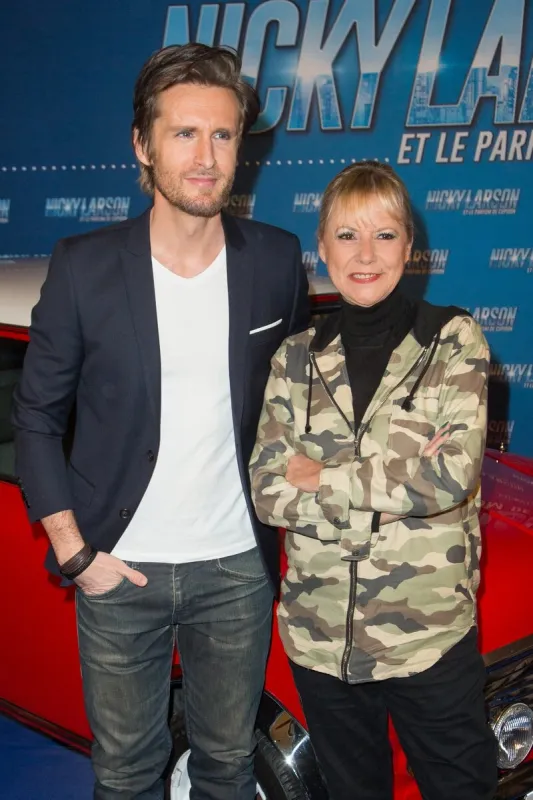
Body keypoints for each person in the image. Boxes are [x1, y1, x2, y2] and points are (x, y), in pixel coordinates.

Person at [13, 43, 309, 800]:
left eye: (222, 135)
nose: (206, 157)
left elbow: (297, 404)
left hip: (236, 570)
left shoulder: (274, 260)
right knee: (125, 775)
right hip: (118, 568)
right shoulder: (84, 265)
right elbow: (37, 418)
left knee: (226, 770)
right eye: (184, 134)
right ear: (142, 146)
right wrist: (78, 556)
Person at [250, 161, 497, 800]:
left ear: (410, 248)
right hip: (320, 637)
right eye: (347, 235)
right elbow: (268, 490)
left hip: (428, 636)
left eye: (384, 235)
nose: (365, 254)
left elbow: (448, 476)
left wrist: (320, 476)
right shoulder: (294, 358)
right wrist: (388, 486)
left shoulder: (452, 341)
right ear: (322, 247)